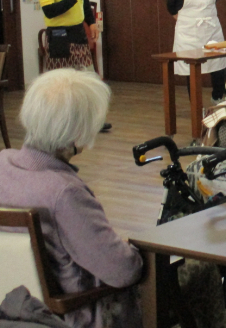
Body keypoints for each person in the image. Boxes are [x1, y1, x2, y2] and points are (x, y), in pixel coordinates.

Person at [0, 69, 142, 328]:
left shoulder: (2, 163)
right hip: (72, 316)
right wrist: (134, 251)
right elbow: (123, 271)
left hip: (13, 308)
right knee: (190, 275)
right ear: (78, 134)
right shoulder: (64, 193)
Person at [37, 0, 110, 132]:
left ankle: (93, 120)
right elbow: (50, 11)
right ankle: (59, 123)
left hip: (78, 31)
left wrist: (92, 22)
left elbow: (84, 0)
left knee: (87, 78)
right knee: (60, 83)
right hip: (59, 35)